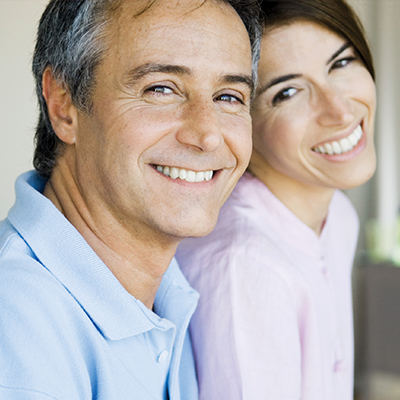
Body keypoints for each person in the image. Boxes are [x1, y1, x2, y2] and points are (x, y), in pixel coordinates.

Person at [0, 0, 261, 398]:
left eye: (228, 96)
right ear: (63, 106)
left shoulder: (171, 291)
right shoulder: (16, 320)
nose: (207, 135)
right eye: (160, 88)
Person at [176, 0, 376, 398]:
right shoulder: (246, 266)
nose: (339, 110)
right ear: (242, 118)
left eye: (340, 63)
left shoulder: (338, 214)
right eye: (287, 93)